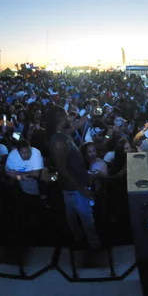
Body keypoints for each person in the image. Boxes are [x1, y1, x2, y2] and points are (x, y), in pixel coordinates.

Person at [47, 105, 100, 248]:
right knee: (85, 216)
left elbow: (76, 125)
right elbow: (62, 170)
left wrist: (90, 114)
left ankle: (79, 238)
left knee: (73, 218)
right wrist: (81, 188)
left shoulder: (62, 134)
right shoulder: (58, 141)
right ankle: (91, 242)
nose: (68, 117)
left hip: (73, 187)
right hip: (74, 188)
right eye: (65, 115)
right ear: (59, 117)